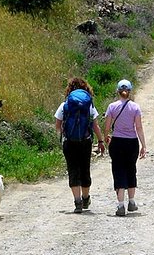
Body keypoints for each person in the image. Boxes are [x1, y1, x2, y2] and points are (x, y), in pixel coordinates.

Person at [54, 77, 105, 214]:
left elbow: (58, 125)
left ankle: (77, 202)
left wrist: (63, 135)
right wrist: (100, 141)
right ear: (86, 88)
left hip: (69, 142)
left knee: (73, 170)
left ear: (69, 89)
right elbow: (95, 126)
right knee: (85, 169)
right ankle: (85, 197)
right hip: (85, 141)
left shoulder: (64, 104)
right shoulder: (89, 105)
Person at [104, 79, 147, 217]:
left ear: (118, 91)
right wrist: (143, 145)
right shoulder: (135, 107)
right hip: (132, 142)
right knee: (131, 169)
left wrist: (106, 137)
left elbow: (107, 125)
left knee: (118, 170)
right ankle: (132, 202)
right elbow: (138, 127)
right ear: (129, 92)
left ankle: (120, 204)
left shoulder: (112, 107)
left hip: (117, 142)